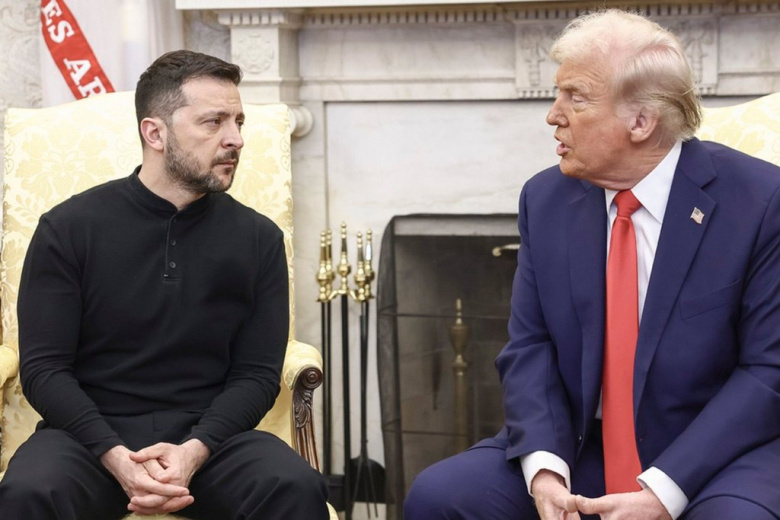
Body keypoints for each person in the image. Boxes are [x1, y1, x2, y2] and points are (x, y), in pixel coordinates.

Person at [404, 9, 780, 520]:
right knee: (441, 496)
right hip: (582, 444)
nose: (553, 115)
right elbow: (531, 346)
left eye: (575, 97)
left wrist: (665, 490)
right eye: (557, 93)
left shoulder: (759, 202)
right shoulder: (546, 199)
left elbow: (766, 371)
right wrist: (544, 468)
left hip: (715, 456)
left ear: (641, 121)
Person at [0, 50, 329, 519]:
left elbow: (256, 375)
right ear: (154, 133)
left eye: (238, 121)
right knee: (30, 491)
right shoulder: (68, 228)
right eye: (213, 122)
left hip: (213, 442)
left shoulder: (259, 238)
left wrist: (195, 449)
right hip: (87, 441)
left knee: (293, 486)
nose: (235, 139)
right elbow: (45, 368)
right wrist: (114, 454)